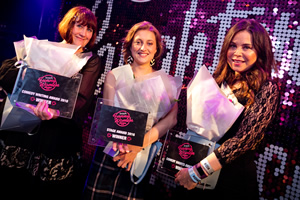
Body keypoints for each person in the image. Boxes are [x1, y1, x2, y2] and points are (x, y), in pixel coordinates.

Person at [0, 6, 102, 200]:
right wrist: (25, 57)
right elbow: (4, 75)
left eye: (90, 29)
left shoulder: (90, 61)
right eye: (80, 26)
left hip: (57, 138)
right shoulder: (43, 48)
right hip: (23, 131)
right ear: (69, 25)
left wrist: (55, 113)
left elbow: (81, 101)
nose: (84, 33)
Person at [174, 19, 280, 199]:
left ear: (260, 51)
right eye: (233, 46)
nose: (237, 53)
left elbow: (243, 140)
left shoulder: (266, 88)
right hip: (194, 175)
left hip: (230, 180)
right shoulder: (215, 80)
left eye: (247, 47)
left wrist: (196, 173)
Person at [82, 21, 181, 199]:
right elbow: (108, 118)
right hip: (110, 152)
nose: (143, 48)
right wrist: (121, 145)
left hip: (140, 156)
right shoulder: (115, 74)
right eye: (138, 42)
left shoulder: (166, 82)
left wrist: (138, 145)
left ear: (157, 49)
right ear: (130, 45)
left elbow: (171, 119)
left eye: (150, 43)